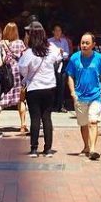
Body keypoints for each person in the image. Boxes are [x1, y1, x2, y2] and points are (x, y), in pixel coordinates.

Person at [18, 19, 62, 157]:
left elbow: (22, 69)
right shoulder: (51, 49)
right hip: (49, 87)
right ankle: (48, 149)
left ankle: (34, 148)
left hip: (34, 88)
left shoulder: (29, 53)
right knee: (47, 118)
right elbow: (59, 58)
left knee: (35, 118)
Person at [66, 33, 101, 161]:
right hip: (80, 96)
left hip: (95, 95)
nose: (84, 45)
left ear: (93, 45)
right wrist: (73, 92)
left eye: (87, 43)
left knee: (93, 121)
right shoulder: (74, 58)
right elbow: (70, 76)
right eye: (82, 42)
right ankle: (86, 146)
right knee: (84, 124)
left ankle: (93, 149)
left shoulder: (99, 58)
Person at [0, 22, 27, 133]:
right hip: (18, 72)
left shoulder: (2, 43)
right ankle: (23, 124)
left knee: (1, 98)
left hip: (7, 72)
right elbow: (25, 57)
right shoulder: (20, 43)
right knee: (21, 99)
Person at [48, 24, 72, 112]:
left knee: (61, 85)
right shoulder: (49, 41)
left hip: (61, 64)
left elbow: (67, 54)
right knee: (51, 85)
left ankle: (60, 105)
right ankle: (51, 105)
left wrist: (62, 53)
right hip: (51, 65)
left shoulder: (64, 41)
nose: (58, 32)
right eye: (56, 30)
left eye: (59, 31)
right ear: (53, 32)